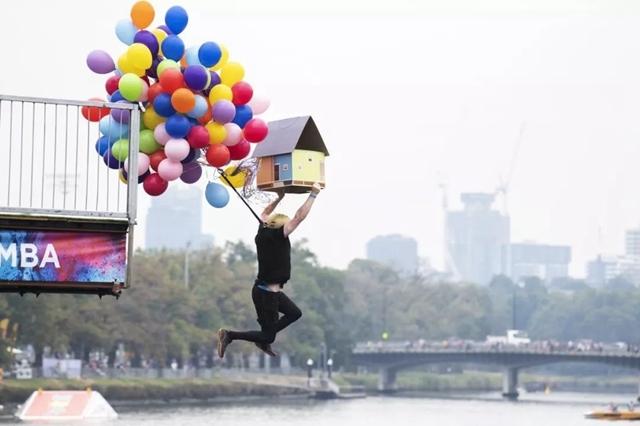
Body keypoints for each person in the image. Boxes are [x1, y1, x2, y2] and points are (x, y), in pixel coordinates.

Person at [217, 183, 322, 358]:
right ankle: (229, 335)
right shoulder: (277, 236)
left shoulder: (263, 231)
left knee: (294, 313)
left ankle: (263, 339)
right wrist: (313, 194)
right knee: (268, 336)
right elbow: (299, 217)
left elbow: (264, 214)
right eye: (285, 225)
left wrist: (279, 198)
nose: (288, 226)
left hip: (268, 292)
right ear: (279, 227)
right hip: (266, 294)